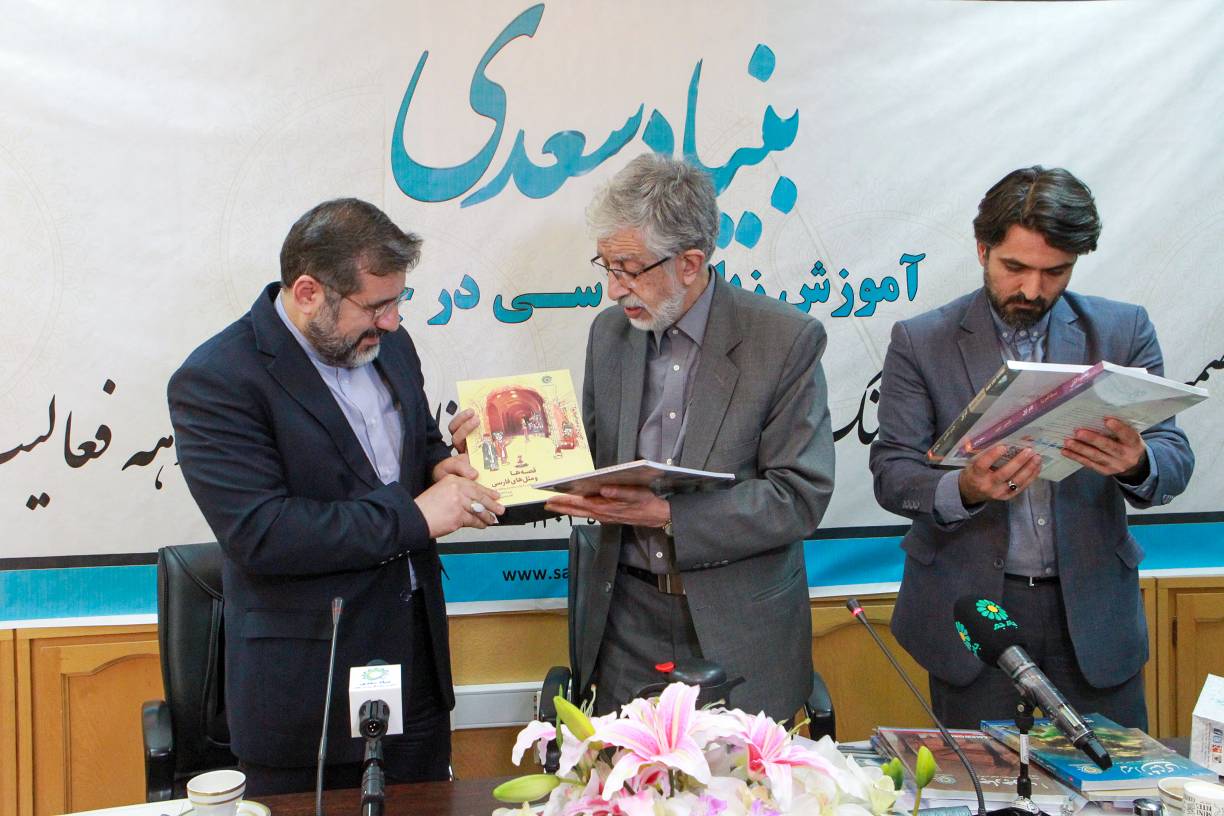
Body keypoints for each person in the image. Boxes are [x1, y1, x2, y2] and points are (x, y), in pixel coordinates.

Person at [168, 198, 503, 795]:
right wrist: (417, 516)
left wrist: (441, 464)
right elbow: (263, 534)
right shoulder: (218, 378)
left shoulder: (390, 345)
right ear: (307, 293)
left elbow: (412, 446)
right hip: (308, 690)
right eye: (376, 306)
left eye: (399, 301)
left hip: (416, 670)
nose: (393, 322)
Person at [869, 167, 1194, 730]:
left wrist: (1138, 462)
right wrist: (964, 488)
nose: (1032, 290)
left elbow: (1174, 455)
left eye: (1055, 272)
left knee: (1111, 776)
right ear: (982, 250)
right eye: (1014, 267)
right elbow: (892, 472)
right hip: (975, 614)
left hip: (1093, 612)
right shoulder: (922, 341)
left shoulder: (1122, 330)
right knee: (986, 779)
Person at [516, 152, 834, 720]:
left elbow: (799, 496)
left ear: (690, 263)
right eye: (607, 266)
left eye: (629, 269)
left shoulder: (784, 340)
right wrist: (500, 449)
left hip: (737, 624)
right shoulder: (609, 335)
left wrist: (667, 515)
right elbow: (586, 460)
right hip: (623, 619)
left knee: (737, 778)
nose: (613, 290)